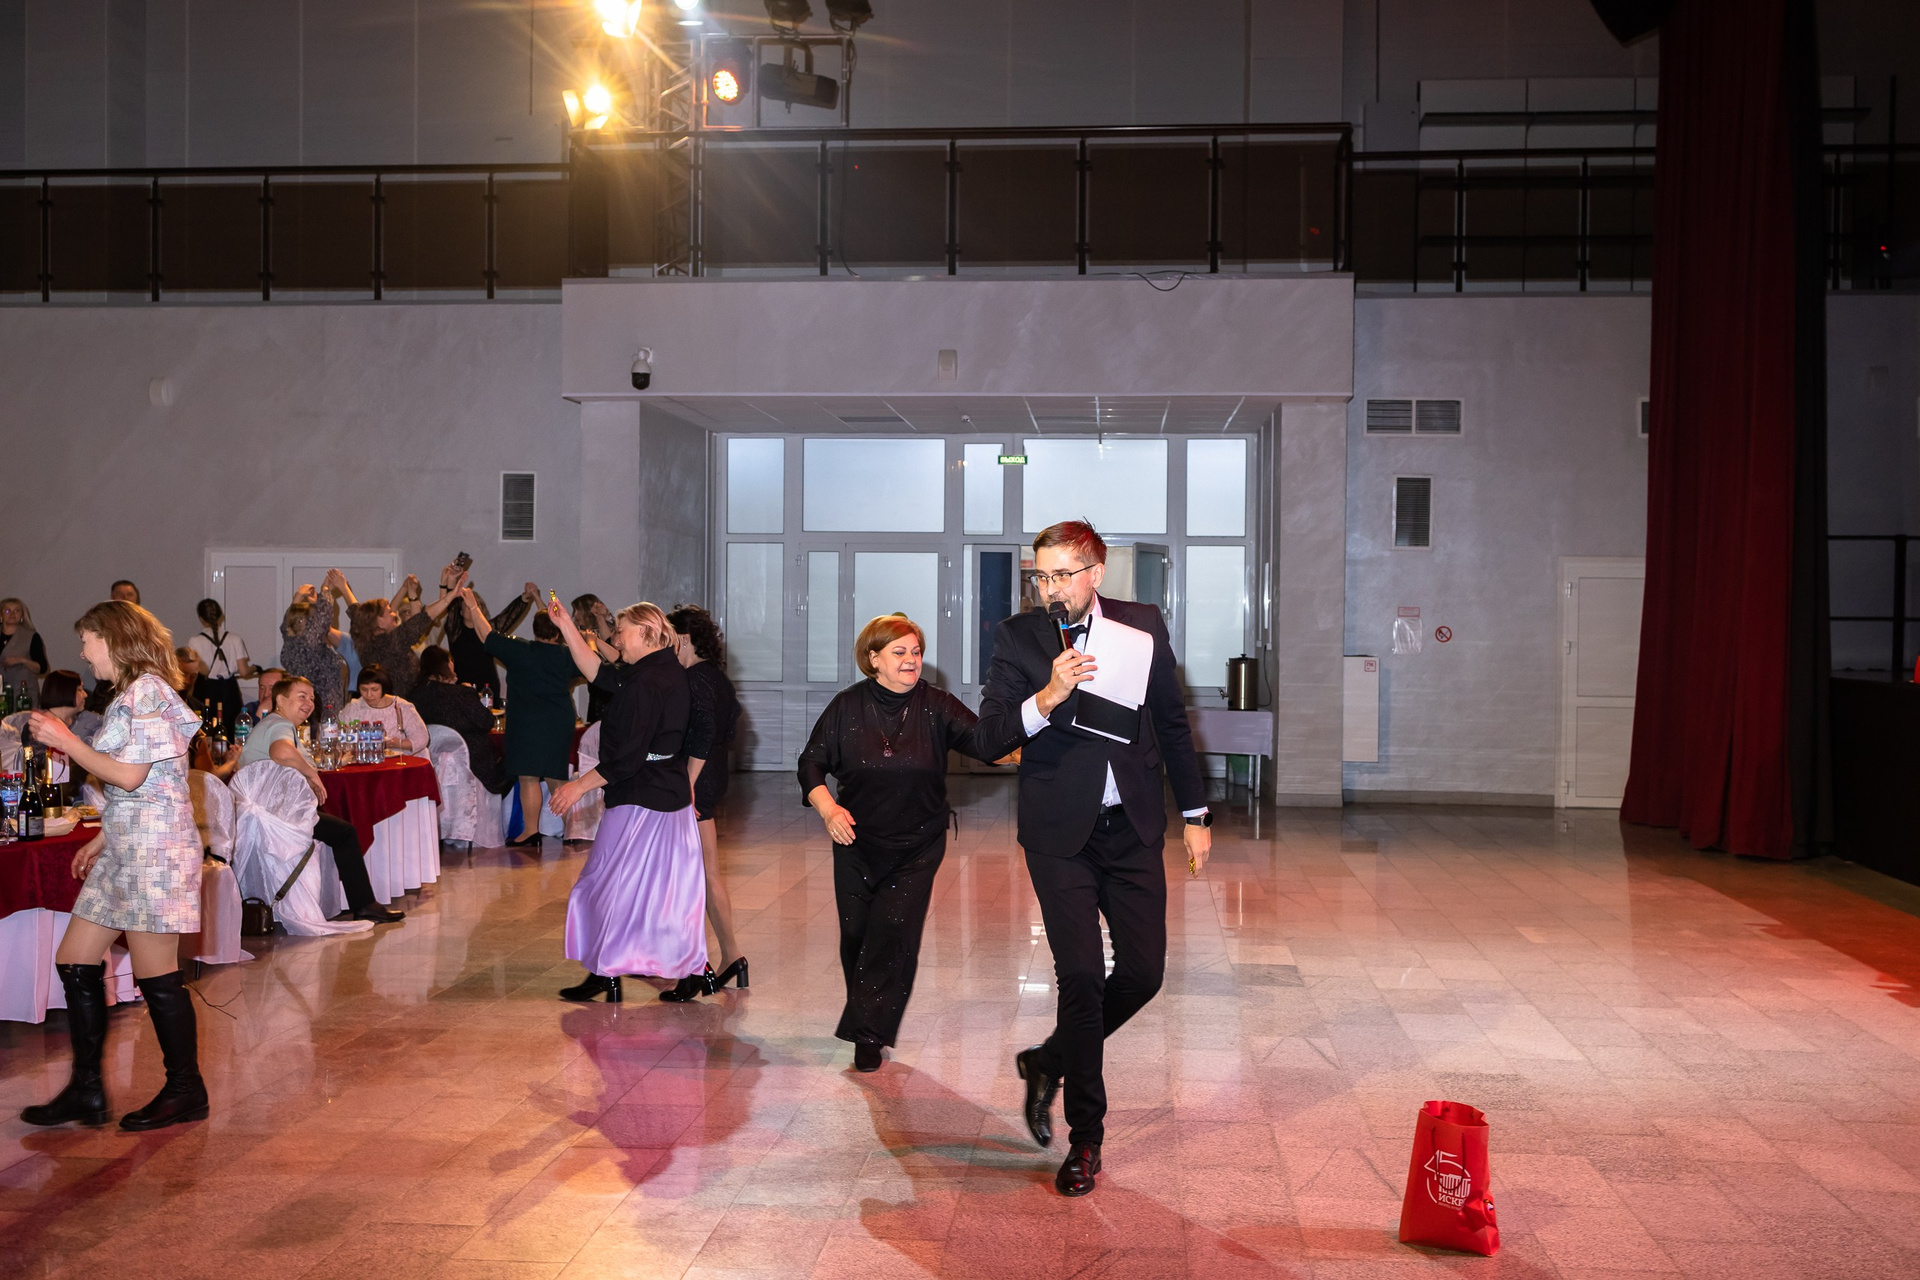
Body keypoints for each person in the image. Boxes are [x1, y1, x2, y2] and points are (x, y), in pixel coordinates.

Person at [975, 520, 1210, 1198]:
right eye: (1040, 577)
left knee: (1142, 972)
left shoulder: (1142, 626)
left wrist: (1195, 815)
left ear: (1095, 574)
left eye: (1062, 575)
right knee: (1080, 976)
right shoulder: (1018, 638)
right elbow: (989, 737)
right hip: (1058, 834)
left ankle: (1049, 1059)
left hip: (1131, 827)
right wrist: (1045, 698)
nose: (1049, 589)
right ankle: (1086, 1139)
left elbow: (1172, 723)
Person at [799, 615, 1022, 1072]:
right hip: (856, 840)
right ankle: (868, 1017)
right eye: (899, 652)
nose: (911, 660)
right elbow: (810, 765)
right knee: (856, 937)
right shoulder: (846, 706)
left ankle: (868, 1033)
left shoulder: (937, 705)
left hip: (918, 844)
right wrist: (829, 810)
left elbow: (985, 745)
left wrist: (1028, 743)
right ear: (873, 658)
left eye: (916, 652)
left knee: (893, 932)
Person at [19, 601, 208, 1132]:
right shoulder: (130, 694)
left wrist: (66, 740)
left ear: (114, 638)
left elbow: (129, 776)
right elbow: (152, 782)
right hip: (128, 845)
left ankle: (186, 1089)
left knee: (156, 975)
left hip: (155, 851)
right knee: (75, 960)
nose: (83, 652)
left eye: (87, 640)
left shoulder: (148, 691)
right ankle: (87, 1090)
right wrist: (105, 837)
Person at [540, 595, 710, 1003]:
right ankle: (630, 970)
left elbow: (627, 758)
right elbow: (599, 673)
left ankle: (614, 971)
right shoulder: (657, 670)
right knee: (655, 894)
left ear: (647, 632)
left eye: (621, 631)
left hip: (642, 799)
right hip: (661, 795)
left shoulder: (650, 681)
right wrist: (565, 626)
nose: (615, 638)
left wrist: (577, 786)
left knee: (602, 886)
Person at [238, 675, 404, 924]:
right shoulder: (280, 724)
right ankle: (364, 904)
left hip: (269, 812)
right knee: (345, 832)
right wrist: (312, 774)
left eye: (312, 698)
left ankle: (350, 901)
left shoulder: (274, 723)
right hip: (277, 818)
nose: (309, 703)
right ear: (280, 700)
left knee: (334, 822)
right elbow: (281, 751)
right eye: (301, 697)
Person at [460, 590, 578, 848]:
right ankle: (572, 829)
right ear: (558, 632)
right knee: (557, 777)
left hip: (527, 722)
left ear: (535, 630)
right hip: (559, 721)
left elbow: (486, 635)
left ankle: (531, 831)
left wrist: (473, 607)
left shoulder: (521, 650)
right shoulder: (567, 655)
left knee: (528, 777)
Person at [666, 605, 744, 988]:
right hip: (712, 775)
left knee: (691, 878)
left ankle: (696, 966)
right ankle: (732, 957)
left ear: (684, 638)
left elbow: (705, 728)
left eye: (669, 638)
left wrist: (688, 783)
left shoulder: (694, 678)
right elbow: (729, 726)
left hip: (695, 781)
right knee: (707, 873)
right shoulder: (717, 677)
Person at [339, 568, 465, 696]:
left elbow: (356, 611)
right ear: (379, 622)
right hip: (401, 702)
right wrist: (451, 595)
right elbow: (423, 618)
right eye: (390, 612)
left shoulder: (365, 639)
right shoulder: (390, 642)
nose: (394, 614)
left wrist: (343, 587)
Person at [408, 645, 510, 795]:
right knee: (514, 756)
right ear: (447, 665)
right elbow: (486, 721)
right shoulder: (461, 693)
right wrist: (472, 694)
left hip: (432, 764)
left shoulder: (414, 695)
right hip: (474, 766)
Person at [439, 571, 534, 706]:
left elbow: (507, 617)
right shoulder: (455, 630)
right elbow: (450, 609)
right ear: (460, 611)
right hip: (462, 687)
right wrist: (451, 584)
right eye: (466, 606)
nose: (469, 608)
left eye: (473, 605)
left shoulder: (487, 630)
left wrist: (524, 598)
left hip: (488, 687)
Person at [1, 669, 102, 776]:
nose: (85, 694)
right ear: (64, 691)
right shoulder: (38, 726)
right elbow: (38, 767)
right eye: (79, 690)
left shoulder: (86, 720)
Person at [187, 598, 259, 735]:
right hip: (229, 690)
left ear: (201, 618)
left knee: (206, 730)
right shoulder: (235, 639)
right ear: (221, 616)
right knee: (231, 731)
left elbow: (198, 671)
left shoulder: (194, 641)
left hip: (206, 690)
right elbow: (244, 672)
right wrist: (256, 668)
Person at [279, 579, 346, 723]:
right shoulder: (309, 642)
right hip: (322, 709)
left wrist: (298, 597)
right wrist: (326, 590)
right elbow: (323, 617)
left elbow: (287, 624)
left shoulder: (290, 642)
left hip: (301, 707)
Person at [341, 665, 429, 755]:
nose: (369, 695)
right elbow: (339, 735)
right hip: (365, 757)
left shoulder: (401, 707)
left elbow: (421, 738)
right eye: (364, 689)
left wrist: (399, 744)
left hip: (399, 758)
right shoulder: (353, 707)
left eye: (374, 689)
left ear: (384, 688)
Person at [572, 595, 619, 724]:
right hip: (595, 691)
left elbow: (611, 647)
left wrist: (601, 617)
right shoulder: (579, 634)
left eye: (578, 610)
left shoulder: (606, 631)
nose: (575, 615)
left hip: (608, 689)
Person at [1, 597, 49, 709]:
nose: (12, 614)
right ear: (1, 615)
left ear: (22, 616)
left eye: (17, 610)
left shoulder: (31, 637)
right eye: (7, 611)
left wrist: (21, 660)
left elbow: (42, 668)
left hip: (23, 693)